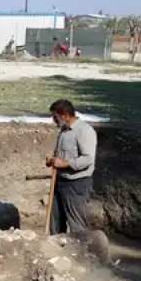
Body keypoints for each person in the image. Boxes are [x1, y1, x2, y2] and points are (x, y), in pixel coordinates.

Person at [46, 99, 98, 235]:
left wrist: (65, 164)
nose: (53, 120)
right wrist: (53, 159)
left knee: (76, 223)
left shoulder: (84, 131)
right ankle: (57, 251)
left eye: (55, 117)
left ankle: (80, 252)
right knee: (55, 220)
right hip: (61, 180)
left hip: (76, 184)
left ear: (64, 115)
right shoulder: (64, 131)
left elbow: (88, 159)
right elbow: (61, 154)